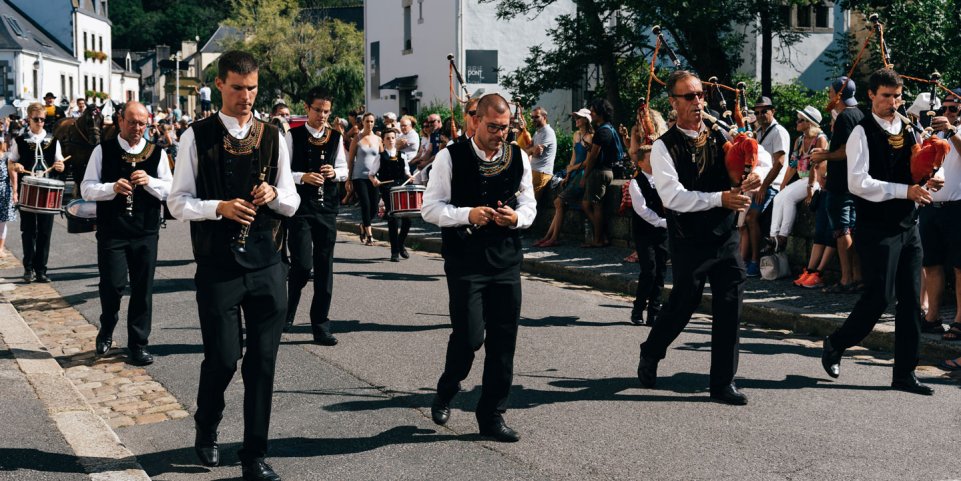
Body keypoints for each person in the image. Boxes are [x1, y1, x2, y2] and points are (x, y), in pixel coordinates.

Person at [168, 51, 299, 481]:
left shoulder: (273, 134)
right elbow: (176, 202)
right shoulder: (197, 135)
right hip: (219, 266)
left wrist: (272, 197)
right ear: (220, 85)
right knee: (223, 360)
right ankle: (207, 425)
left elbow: (292, 201)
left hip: (267, 263)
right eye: (238, 88)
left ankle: (254, 455)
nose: (247, 97)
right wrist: (218, 207)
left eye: (253, 88)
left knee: (263, 364)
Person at [636, 70, 759, 405]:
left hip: (725, 235)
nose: (697, 102)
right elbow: (673, 197)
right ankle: (652, 350)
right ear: (674, 103)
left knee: (730, 304)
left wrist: (751, 178)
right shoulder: (664, 148)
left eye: (700, 95)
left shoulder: (720, 133)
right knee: (683, 303)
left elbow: (747, 162)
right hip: (689, 238)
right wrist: (720, 198)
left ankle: (722, 383)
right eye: (689, 97)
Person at [422, 93, 536, 442]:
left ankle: (492, 415)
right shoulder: (450, 156)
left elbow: (530, 203)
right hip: (465, 261)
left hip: (505, 260)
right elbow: (430, 209)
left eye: (505, 128)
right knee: (470, 337)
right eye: (492, 127)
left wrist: (516, 218)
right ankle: (447, 386)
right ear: (476, 121)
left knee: (504, 342)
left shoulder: (518, 156)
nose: (500, 134)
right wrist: (465, 215)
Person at [820, 68, 936, 396]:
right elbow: (859, 183)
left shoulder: (910, 129)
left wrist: (928, 182)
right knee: (879, 297)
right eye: (886, 96)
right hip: (876, 228)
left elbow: (915, 171)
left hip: (908, 225)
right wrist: (906, 191)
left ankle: (904, 374)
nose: (893, 102)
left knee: (912, 302)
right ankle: (836, 342)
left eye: (898, 96)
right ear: (871, 95)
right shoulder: (861, 131)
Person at [81, 101, 172, 366]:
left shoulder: (157, 153)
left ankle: (138, 344)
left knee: (143, 289)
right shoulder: (103, 150)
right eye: (132, 122)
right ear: (120, 121)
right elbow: (86, 188)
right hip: (113, 231)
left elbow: (171, 190)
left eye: (142, 123)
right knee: (112, 285)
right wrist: (111, 188)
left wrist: (150, 182)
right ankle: (107, 325)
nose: (137, 128)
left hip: (145, 230)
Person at [284, 87, 348, 346]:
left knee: (325, 268)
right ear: (308, 109)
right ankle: (287, 309)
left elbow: (344, 168)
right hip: (300, 209)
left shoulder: (336, 137)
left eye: (326, 111)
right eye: (318, 110)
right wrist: (303, 177)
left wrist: (335, 172)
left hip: (326, 209)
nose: (322, 115)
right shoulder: (293, 135)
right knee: (301, 265)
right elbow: (282, 172)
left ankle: (320, 325)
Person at [811, 76, 864, 293]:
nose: (829, 96)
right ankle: (858, 277)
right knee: (852, 229)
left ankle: (846, 279)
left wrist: (822, 155)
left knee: (842, 231)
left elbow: (844, 152)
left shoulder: (844, 118)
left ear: (839, 95)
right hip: (856, 183)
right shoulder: (861, 113)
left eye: (831, 93)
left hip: (841, 183)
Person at [7, 102, 66, 282]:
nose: (40, 122)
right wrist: (16, 166)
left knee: (45, 232)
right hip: (28, 190)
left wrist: (60, 165)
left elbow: (61, 165)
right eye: (36, 119)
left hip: (48, 191)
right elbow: (11, 163)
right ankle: (28, 269)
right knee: (28, 231)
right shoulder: (20, 141)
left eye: (42, 119)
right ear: (29, 119)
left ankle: (41, 270)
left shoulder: (53, 141)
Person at [922, 88, 961, 340]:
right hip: (931, 206)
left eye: (953, 108)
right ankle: (932, 317)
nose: (946, 113)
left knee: (960, 267)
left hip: (957, 208)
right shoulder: (936, 131)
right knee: (931, 264)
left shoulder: (955, 131)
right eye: (944, 108)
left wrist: (953, 131)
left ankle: (959, 321)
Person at [766, 106, 828, 251]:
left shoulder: (820, 139)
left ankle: (782, 237)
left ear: (809, 123)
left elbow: (816, 165)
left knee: (788, 199)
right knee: (778, 197)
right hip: (803, 179)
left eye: (801, 120)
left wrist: (810, 187)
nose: (797, 122)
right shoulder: (799, 140)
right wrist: (783, 183)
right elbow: (793, 164)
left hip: (816, 180)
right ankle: (773, 235)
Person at [743, 97, 790, 276]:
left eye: (764, 111)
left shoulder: (778, 132)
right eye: (757, 112)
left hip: (772, 184)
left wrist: (764, 187)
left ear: (773, 111)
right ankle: (747, 258)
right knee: (742, 220)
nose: (760, 115)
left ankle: (754, 262)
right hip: (760, 183)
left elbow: (779, 162)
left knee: (751, 218)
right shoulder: (760, 132)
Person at [534, 108, 593, 247]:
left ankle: (553, 238)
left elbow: (588, 161)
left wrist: (572, 168)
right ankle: (549, 236)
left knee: (558, 202)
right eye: (576, 117)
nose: (576, 120)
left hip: (582, 173)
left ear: (586, 120)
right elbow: (573, 156)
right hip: (574, 172)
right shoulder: (577, 135)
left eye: (579, 117)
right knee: (560, 205)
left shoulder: (590, 137)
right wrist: (568, 174)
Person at [629, 145, 668, 325]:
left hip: (662, 232)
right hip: (645, 232)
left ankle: (654, 312)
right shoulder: (636, 182)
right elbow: (641, 209)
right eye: (651, 158)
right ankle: (638, 310)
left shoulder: (664, 179)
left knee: (661, 271)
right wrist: (662, 222)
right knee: (649, 271)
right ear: (641, 162)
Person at [580, 98, 618, 247]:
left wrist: (585, 176)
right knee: (589, 204)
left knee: (596, 206)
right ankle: (602, 236)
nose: (591, 113)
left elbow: (594, 156)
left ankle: (598, 240)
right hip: (607, 171)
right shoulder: (609, 128)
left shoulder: (601, 131)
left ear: (600, 113)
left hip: (599, 172)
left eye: (593, 110)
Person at [371, 129, 414, 261]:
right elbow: (371, 174)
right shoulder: (381, 156)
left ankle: (400, 244)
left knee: (407, 220)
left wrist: (410, 176)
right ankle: (394, 252)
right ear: (383, 141)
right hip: (388, 190)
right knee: (393, 219)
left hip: (402, 188)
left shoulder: (402, 155)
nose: (390, 140)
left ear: (396, 139)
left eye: (392, 138)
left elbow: (406, 171)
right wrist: (375, 181)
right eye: (387, 138)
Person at [346, 112, 382, 245]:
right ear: (363, 122)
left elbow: (382, 158)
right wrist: (348, 179)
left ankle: (363, 225)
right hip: (359, 176)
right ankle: (369, 235)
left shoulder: (378, 139)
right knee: (365, 204)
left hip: (373, 177)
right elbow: (350, 160)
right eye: (367, 121)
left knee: (374, 206)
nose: (370, 124)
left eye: (372, 121)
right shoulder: (357, 138)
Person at [525, 106, 556, 200]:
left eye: (536, 117)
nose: (533, 119)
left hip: (541, 172)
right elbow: (527, 150)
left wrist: (531, 150)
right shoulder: (537, 132)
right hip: (533, 171)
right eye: (532, 117)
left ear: (544, 117)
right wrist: (531, 150)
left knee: (530, 203)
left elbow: (536, 153)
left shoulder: (548, 132)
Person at [0, 132, 15, 256]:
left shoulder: (6, 157)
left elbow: (12, 175)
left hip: (4, 192)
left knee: (2, 222)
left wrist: (15, 191)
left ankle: (0, 248)